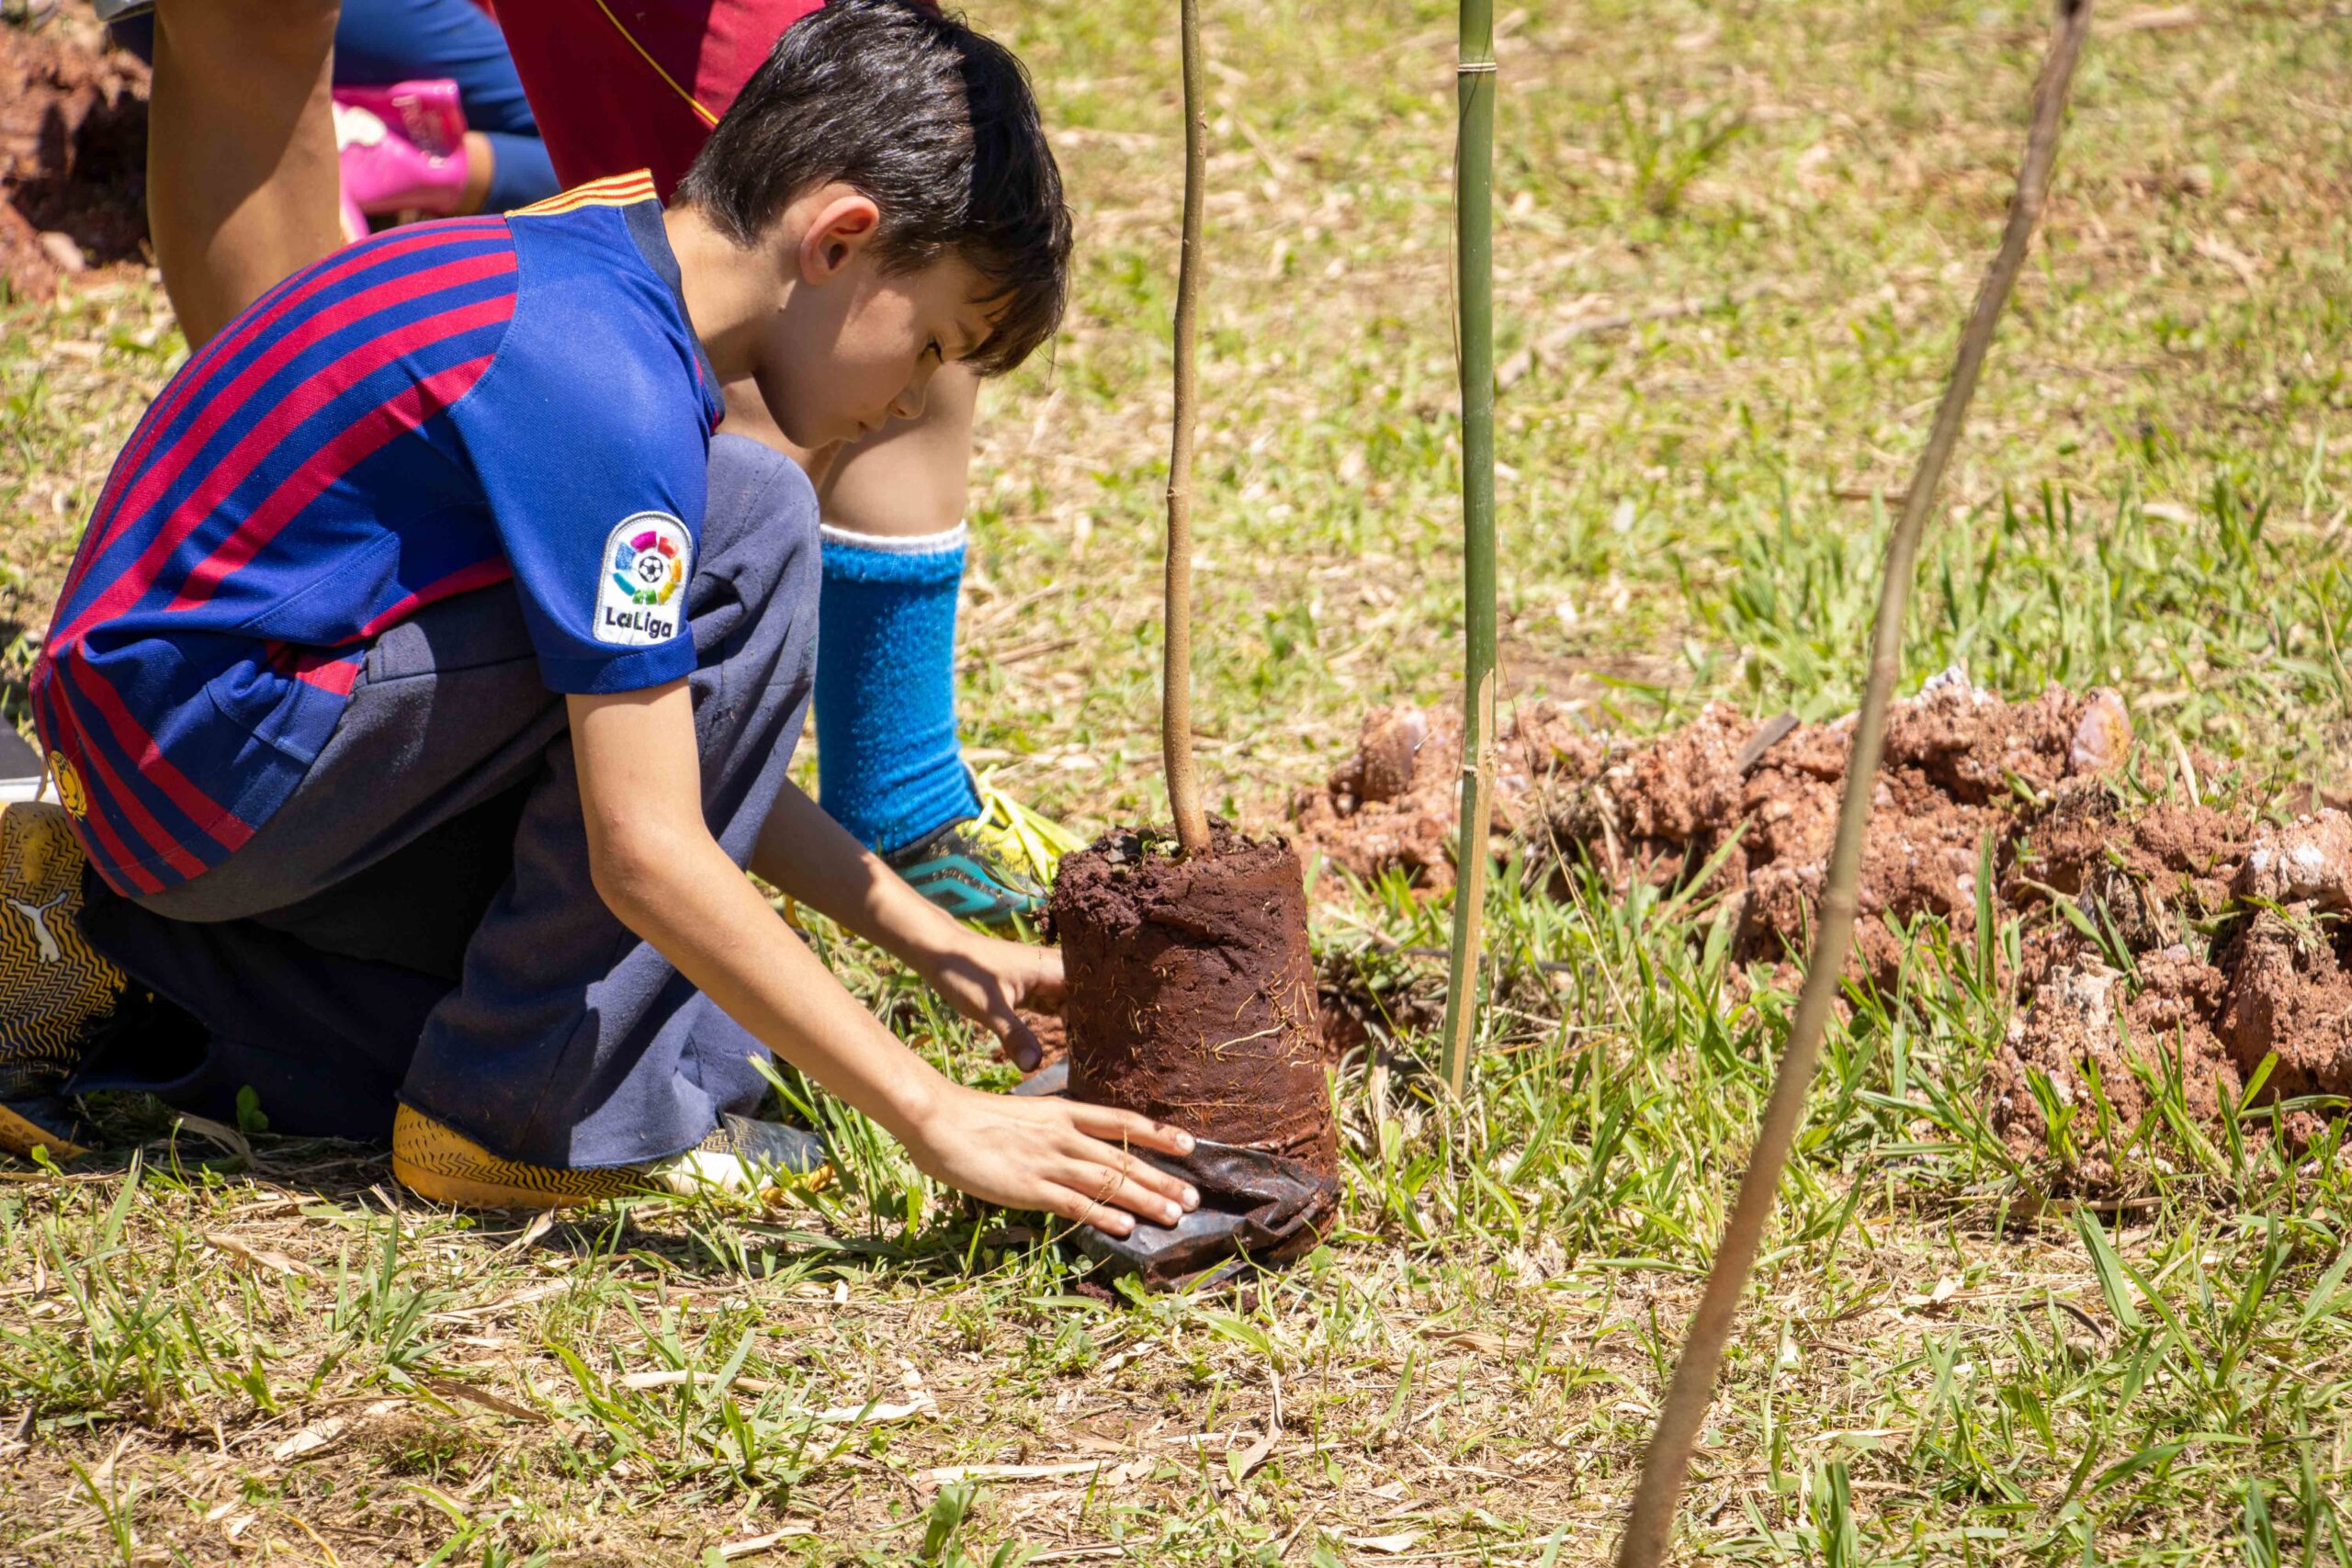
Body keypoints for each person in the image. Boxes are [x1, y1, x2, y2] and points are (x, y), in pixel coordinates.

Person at [3, 0, 1199, 1237]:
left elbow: (657, 749)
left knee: (637, 1006)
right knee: (754, 522)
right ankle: (514, 1116)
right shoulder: (615, 390)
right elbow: (646, 842)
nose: (905, 408)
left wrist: (946, 948)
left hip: (178, 772)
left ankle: (120, 959)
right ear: (840, 241)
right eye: (932, 344)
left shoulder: (583, 270)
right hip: (220, 763)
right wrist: (936, 1113)